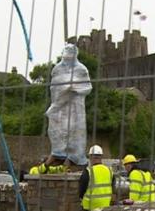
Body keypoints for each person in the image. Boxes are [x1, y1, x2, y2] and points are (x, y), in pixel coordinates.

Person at [40, 43, 92, 173]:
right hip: (59, 108)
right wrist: (61, 92)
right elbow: (53, 87)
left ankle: (74, 158)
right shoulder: (57, 69)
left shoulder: (81, 69)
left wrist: (73, 86)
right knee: (56, 131)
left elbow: (87, 87)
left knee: (75, 131)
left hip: (75, 106)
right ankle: (57, 154)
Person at [79, 145, 114, 211]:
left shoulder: (88, 171)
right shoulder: (110, 171)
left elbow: (81, 190)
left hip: (90, 207)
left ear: (91, 157)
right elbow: (113, 187)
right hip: (105, 206)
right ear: (101, 157)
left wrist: (81, 198)